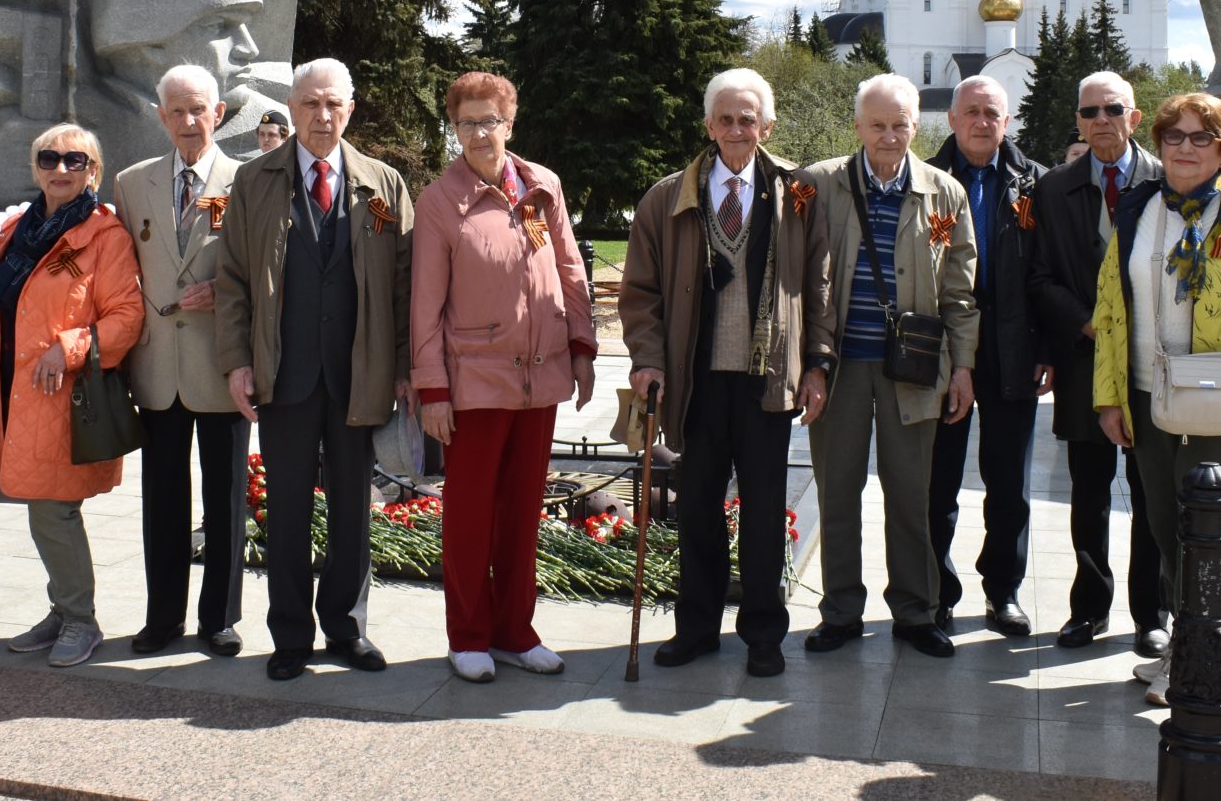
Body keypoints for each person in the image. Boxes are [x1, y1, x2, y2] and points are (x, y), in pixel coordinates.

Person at [1091, 93, 1221, 706]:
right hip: (1148, 399)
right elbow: (1109, 310)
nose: (1185, 148)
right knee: (1162, 525)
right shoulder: (1137, 208)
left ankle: (1206, 659)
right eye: (1174, 137)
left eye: (1200, 138)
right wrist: (1109, 397)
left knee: (1204, 528)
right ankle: (1186, 647)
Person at [620, 68, 830, 678]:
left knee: (765, 513)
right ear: (709, 125)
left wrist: (817, 364)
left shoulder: (799, 191)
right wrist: (648, 359)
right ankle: (697, 628)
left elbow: (817, 284)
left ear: (767, 125)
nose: (738, 130)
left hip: (768, 383)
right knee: (698, 509)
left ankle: (764, 633)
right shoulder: (666, 197)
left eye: (748, 119)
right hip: (697, 383)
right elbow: (640, 293)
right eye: (726, 119)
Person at [215, 58, 414, 682]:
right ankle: (291, 636)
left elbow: (405, 284)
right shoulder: (254, 181)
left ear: (350, 110)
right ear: (293, 108)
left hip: (360, 375)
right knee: (289, 508)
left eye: (333, 105)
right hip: (285, 375)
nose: (322, 116)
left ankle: (347, 630)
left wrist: (404, 366)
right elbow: (234, 281)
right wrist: (238, 362)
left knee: (354, 508)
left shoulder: (383, 186)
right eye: (310, 104)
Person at [411, 71, 597, 684]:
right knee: (469, 516)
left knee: (522, 512)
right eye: (466, 122)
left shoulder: (542, 187)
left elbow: (570, 268)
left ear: (510, 123)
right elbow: (425, 306)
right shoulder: (441, 202)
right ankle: (468, 635)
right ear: (455, 128)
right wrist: (432, 388)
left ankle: (515, 631)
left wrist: (582, 346)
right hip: (475, 385)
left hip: (539, 378)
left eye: (489, 120)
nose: (479, 133)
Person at [802, 74, 976, 661]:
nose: (889, 135)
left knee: (910, 494)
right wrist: (808, 363)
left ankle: (915, 611)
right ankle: (841, 612)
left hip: (914, 367)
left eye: (900, 124)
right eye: (877, 124)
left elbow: (959, 288)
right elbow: (794, 273)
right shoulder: (820, 185)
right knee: (838, 492)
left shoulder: (943, 194)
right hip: (842, 365)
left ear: (916, 126)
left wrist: (963, 367)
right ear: (858, 126)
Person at [1027, 71, 1171, 658]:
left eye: (1114, 108)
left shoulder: (1168, 180)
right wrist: (1086, 321)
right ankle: (1088, 607)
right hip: (1086, 358)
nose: (1101, 119)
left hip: (1151, 363)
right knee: (1087, 489)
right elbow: (1037, 275)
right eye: (1090, 111)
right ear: (1078, 121)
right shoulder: (1054, 187)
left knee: (1150, 490)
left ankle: (1151, 612)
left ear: (1135, 117)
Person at [0, 124, 144, 668]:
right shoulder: (16, 229)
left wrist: (71, 346)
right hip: (14, 389)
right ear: (35, 168)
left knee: (54, 512)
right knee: (41, 508)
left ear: (93, 171)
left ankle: (80, 618)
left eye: (75, 160)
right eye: (49, 159)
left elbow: (127, 316)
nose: (61, 169)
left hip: (64, 394)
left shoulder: (105, 235)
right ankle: (62, 610)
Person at [112, 65, 249, 658]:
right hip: (157, 370)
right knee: (162, 502)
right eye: (177, 111)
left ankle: (219, 618)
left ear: (218, 114)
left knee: (224, 501)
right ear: (161, 116)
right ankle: (162, 615)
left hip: (223, 364)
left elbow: (268, 272)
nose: (189, 122)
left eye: (200, 110)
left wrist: (225, 290)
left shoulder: (249, 181)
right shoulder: (131, 183)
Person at [925, 77, 1050, 639]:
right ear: (951, 120)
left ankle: (1004, 592)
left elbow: (1049, 272)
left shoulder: (1033, 183)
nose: (981, 122)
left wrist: (1046, 348)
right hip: (942, 347)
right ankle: (936, 590)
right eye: (970, 112)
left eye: (992, 113)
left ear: (1007, 122)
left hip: (1011, 348)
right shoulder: (923, 180)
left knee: (1007, 484)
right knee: (937, 478)